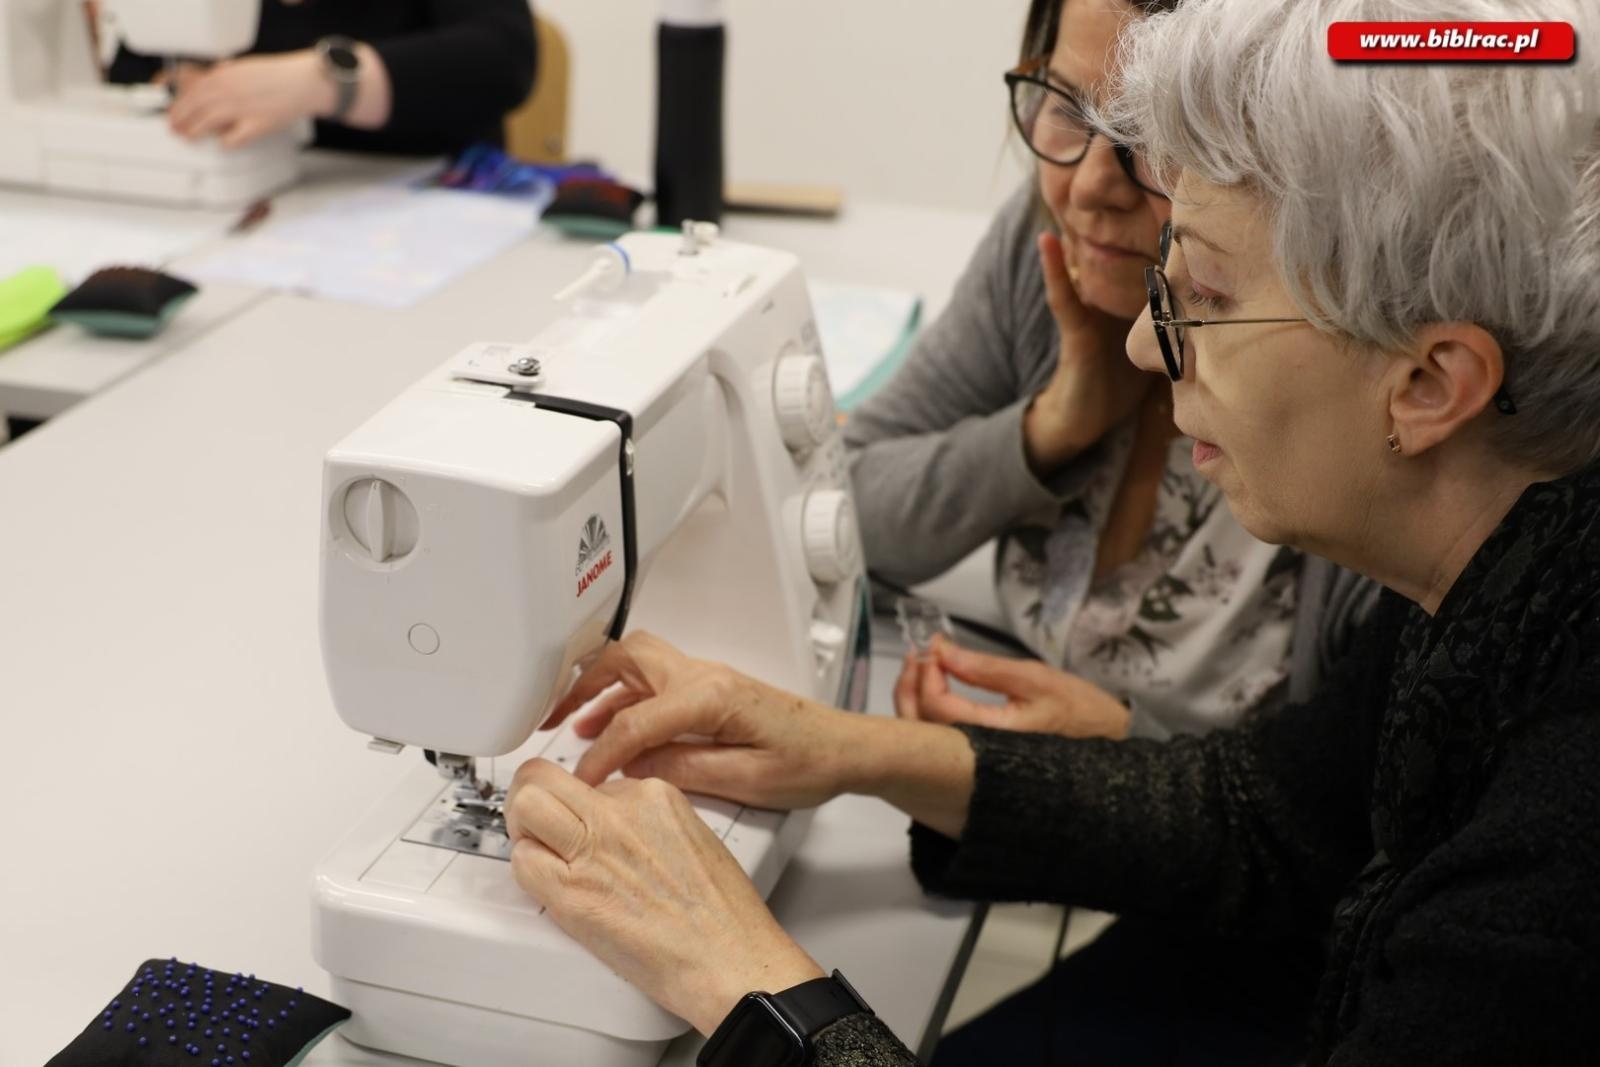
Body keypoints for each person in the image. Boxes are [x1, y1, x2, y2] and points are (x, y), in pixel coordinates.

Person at [501, 0, 1600, 1065]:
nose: (1143, 349)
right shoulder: (1499, 579)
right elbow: (1261, 816)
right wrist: (843, 750)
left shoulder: (1547, 885)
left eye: (1207, 296)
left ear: (1428, 382)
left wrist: (739, 976)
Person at [849, 0, 1373, 746]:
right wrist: (1055, 423)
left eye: (1151, 134)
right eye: (1068, 106)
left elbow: (1345, 816)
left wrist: (1116, 750)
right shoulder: (1055, 245)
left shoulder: (1348, 366)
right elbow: (846, 501)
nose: (1091, 185)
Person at [105, 0, 537, 155]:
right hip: (263, 217)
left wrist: (321, 82)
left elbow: (503, 57)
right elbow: (136, 70)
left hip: (437, 206)